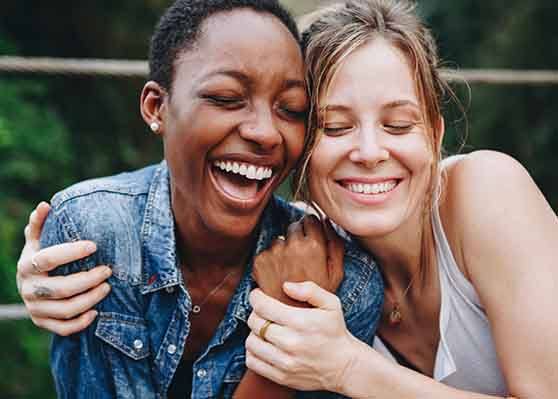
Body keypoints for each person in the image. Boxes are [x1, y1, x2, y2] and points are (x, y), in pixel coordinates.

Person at [15, 1, 384, 398]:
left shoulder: (343, 285)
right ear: (157, 107)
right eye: (227, 98)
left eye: (291, 109)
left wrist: (296, 320)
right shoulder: (94, 235)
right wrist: (285, 336)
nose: (265, 132)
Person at [243, 1, 558, 398]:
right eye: (336, 127)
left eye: (398, 125)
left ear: (435, 135)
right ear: (302, 149)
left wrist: (350, 367)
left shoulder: (487, 190)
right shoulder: (312, 253)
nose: (370, 151)